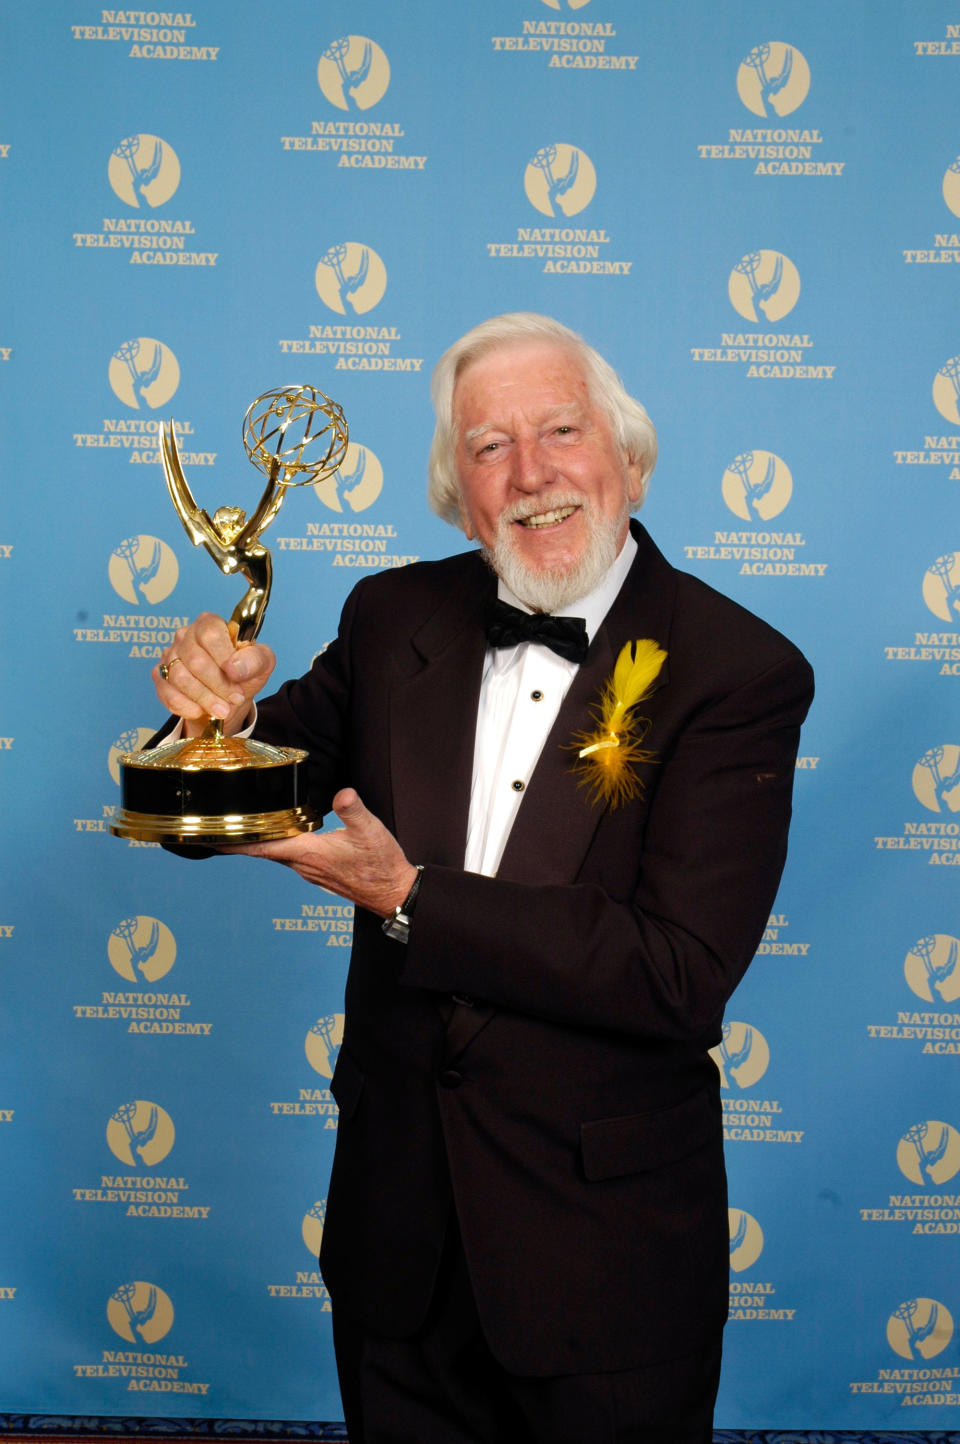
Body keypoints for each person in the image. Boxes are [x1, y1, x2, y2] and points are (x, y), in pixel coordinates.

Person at [152, 313, 814, 1443]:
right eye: (487, 445)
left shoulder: (736, 668)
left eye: (562, 428)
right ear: (456, 493)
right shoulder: (392, 616)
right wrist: (219, 716)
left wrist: (411, 897)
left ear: (631, 460)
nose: (532, 472)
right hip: (395, 1244)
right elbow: (206, 814)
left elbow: (678, 972)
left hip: (602, 1269)